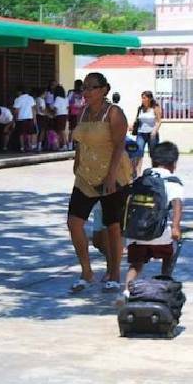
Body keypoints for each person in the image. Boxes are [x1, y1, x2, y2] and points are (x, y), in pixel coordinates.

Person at [67, 72, 132, 293]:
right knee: (74, 222)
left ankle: (114, 273)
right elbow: (80, 141)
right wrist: (77, 162)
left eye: (91, 88)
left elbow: (119, 145)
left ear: (103, 90)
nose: (86, 92)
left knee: (113, 226)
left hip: (112, 176)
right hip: (85, 176)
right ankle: (86, 271)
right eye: (83, 88)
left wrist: (112, 176)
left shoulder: (114, 113)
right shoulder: (83, 112)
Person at [122, 142, 184, 301]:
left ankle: (127, 292)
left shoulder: (143, 179)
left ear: (153, 161)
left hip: (136, 234)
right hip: (161, 234)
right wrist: (176, 227)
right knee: (169, 255)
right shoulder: (172, 182)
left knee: (135, 265)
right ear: (174, 164)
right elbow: (177, 203)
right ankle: (164, 283)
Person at [131, 90, 162, 176]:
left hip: (152, 134)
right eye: (142, 98)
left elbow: (159, 121)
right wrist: (131, 127)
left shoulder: (155, 108)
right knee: (138, 152)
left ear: (149, 98)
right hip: (141, 133)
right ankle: (137, 174)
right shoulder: (140, 108)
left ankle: (155, 172)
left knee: (153, 154)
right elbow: (137, 120)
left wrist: (154, 130)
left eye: (144, 98)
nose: (142, 100)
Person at [12, 86, 37, 153]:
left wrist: (15, 119)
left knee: (21, 134)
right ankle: (29, 146)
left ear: (20, 92)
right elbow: (33, 109)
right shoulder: (31, 98)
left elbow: (16, 110)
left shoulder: (18, 99)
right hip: (30, 118)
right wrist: (34, 119)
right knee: (29, 133)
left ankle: (22, 147)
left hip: (21, 119)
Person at [67, 79, 85, 148]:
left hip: (74, 113)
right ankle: (72, 145)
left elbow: (68, 103)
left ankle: (71, 145)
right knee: (74, 130)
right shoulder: (82, 93)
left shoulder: (71, 93)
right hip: (77, 114)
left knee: (72, 130)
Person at [52, 84, 69, 150]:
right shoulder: (66, 99)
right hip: (64, 115)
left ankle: (63, 145)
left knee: (60, 131)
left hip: (59, 115)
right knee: (62, 130)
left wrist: (53, 114)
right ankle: (64, 144)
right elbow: (67, 107)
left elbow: (55, 108)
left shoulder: (57, 98)